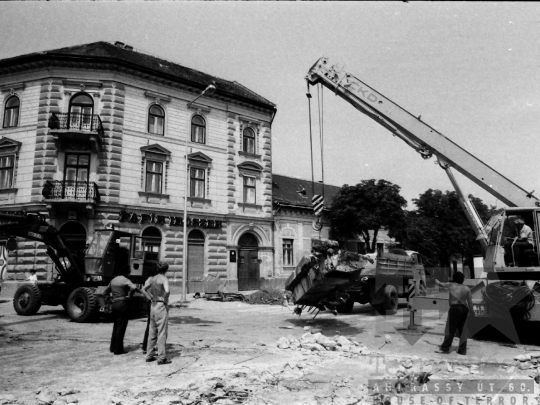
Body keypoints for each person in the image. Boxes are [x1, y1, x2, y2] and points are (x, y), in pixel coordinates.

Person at [103, 265, 140, 355]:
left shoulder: (113, 280)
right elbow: (134, 288)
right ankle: (118, 350)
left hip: (114, 304)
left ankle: (112, 347)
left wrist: (110, 299)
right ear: (126, 272)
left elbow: (105, 292)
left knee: (116, 326)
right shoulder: (125, 279)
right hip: (123, 303)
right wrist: (129, 296)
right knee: (121, 327)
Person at [435, 271, 474, 355]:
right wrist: (472, 313)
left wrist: (434, 279)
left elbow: (439, 283)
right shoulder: (467, 288)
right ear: (463, 279)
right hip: (465, 309)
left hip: (455, 309)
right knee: (463, 331)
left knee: (450, 329)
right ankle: (462, 350)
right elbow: (470, 302)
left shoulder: (450, 285)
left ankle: (445, 348)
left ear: (454, 279)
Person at [142, 261, 171, 365]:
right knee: (162, 331)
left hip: (152, 305)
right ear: (166, 269)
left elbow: (143, 289)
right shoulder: (164, 279)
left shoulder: (153, 278)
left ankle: (149, 355)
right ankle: (162, 357)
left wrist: (149, 298)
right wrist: (165, 300)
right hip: (160, 305)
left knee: (152, 331)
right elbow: (167, 291)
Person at [141, 268, 157, 354]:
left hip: (150, 303)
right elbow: (143, 290)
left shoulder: (149, 279)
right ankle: (147, 346)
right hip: (151, 303)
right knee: (151, 326)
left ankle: (147, 346)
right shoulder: (151, 280)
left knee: (151, 325)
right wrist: (150, 298)